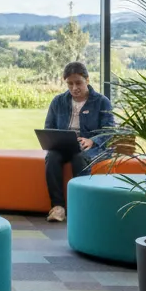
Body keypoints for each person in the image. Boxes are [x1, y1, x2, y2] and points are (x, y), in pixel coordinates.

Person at [43, 61, 115, 222]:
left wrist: (92, 141)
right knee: (52, 157)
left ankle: (81, 207)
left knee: (79, 157)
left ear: (87, 80)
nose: (74, 87)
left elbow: (109, 130)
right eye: (70, 84)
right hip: (64, 146)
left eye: (78, 83)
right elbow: (49, 127)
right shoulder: (58, 101)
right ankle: (58, 207)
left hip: (92, 147)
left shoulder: (102, 101)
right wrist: (55, 141)